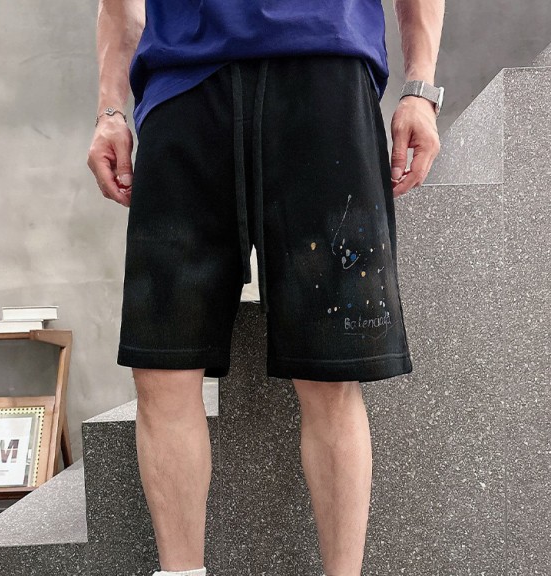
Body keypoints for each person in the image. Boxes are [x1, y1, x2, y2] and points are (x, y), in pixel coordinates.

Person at [87, 1, 444, 575]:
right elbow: (117, 4)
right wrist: (110, 109)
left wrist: (420, 90)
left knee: (332, 373)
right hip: (184, 89)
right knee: (162, 368)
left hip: (325, 75)